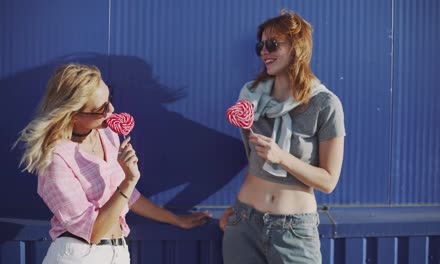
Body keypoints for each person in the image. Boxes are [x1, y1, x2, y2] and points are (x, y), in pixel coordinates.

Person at [15, 64, 210, 263]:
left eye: (110, 99)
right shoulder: (56, 160)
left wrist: (174, 219)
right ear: (73, 114)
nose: (112, 110)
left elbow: (126, 197)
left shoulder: (106, 133)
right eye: (101, 108)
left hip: (117, 253)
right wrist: (130, 180)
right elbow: (91, 232)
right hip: (80, 256)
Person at [220, 10, 345, 264]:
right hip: (244, 223)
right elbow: (253, 159)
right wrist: (236, 216)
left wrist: (282, 157)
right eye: (261, 46)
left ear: (297, 48)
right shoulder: (251, 96)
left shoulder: (325, 104)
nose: (264, 52)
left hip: (294, 231)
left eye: (273, 44)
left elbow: (329, 181)